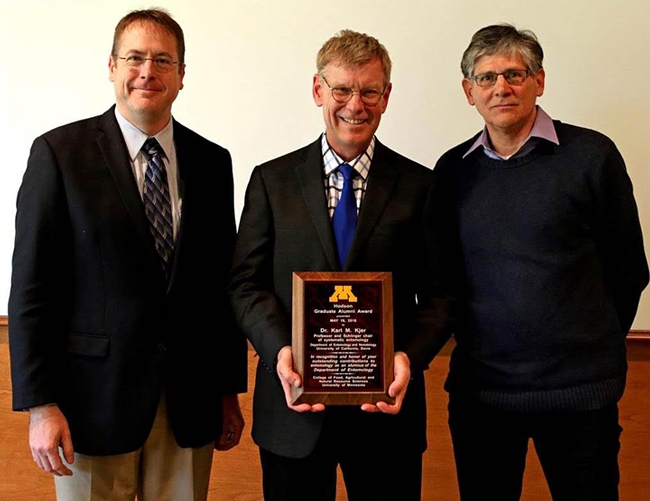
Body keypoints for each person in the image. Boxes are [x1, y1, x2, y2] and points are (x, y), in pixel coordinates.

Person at [8, 8, 248, 501]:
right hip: (89, 405)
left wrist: (228, 390)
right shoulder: (59, 154)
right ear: (112, 66)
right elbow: (31, 289)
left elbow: (220, 285)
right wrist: (40, 405)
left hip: (189, 402)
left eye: (163, 60)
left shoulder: (213, 161)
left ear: (182, 75)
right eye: (135, 57)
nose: (148, 71)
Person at [228, 29, 452, 501]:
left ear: (386, 97)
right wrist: (279, 353)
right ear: (318, 91)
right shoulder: (272, 182)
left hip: (386, 414)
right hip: (294, 414)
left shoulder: (420, 186)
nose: (356, 104)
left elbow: (440, 295)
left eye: (369, 91)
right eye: (342, 89)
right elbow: (246, 285)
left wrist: (407, 356)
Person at [433, 23, 649, 501]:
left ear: (540, 80)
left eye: (514, 73)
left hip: (579, 397)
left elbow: (629, 268)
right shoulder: (452, 171)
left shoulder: (592, 157)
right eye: (486, 78)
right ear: (469, 92)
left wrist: (589, 349)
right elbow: (444, 279)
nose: (501, 88)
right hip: (482, 397)